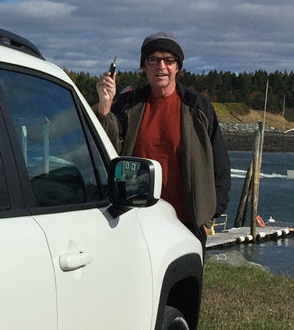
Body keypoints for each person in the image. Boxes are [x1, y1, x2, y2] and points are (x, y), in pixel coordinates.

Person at [95, 32, 230, 239]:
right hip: (137, 220)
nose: (161, 66)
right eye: (153, 60)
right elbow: (107, 152)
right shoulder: (128, 105)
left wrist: (210, 216)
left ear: (178, 67)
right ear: (144, 67)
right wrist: (105, 106)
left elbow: (219, 164)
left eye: (169, 60)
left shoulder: (197, 107)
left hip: (187, 223)